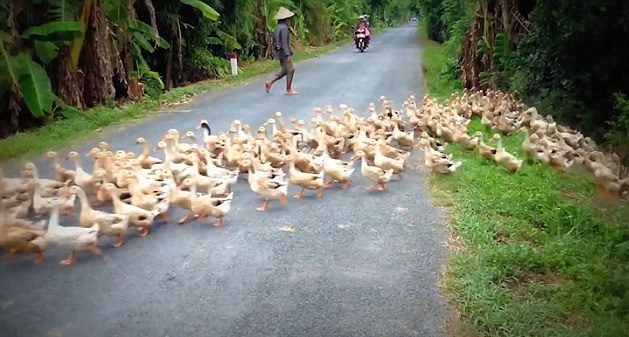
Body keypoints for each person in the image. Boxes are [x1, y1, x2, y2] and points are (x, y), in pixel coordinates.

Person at [265, 7, 298, 95]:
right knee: (291, 69)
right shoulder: (284, 28)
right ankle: (288, 89)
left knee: (284, 70)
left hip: (279, 52)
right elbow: (284, 43)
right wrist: (287, 55)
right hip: (284, 52)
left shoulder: (278, 27)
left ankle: (270, 82)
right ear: (286, 19)